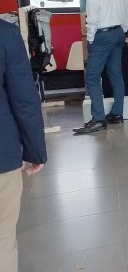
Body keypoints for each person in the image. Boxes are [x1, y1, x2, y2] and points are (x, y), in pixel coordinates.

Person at [1, 20, 47, 272]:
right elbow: (24, 100)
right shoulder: (5, 34)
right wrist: (35, 150)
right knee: (2, 236)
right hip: (2, 154)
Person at [74, 0, 128, 135]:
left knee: (92, 77)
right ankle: (117, 113)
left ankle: (98, 119)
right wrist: (121, 32)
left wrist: (90, 39)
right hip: (118, 34)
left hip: (102, 36)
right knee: (116, 75)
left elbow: (92, 18)